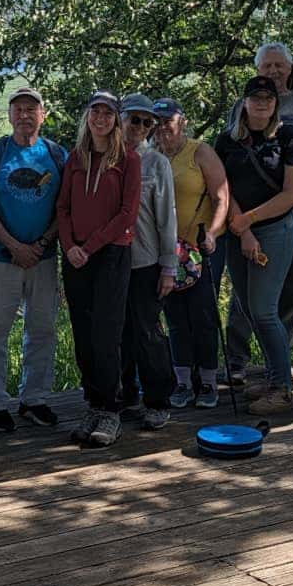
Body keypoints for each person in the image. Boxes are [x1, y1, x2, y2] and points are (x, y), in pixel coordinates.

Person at [220, 42, 293, 385]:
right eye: (267, 67)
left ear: (290, 70)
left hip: (288, 218)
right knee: (245, 298)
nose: (273, 72)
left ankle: (280, 362)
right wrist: (241, 223)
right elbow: (226, 173)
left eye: (279, 66)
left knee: (287, 291)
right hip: (240, 220)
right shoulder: (237, 112)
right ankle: (237, 359)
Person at [57, 90, 142, 447]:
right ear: (87, 115)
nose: (101, 118)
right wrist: (70, 247)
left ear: (116, 120)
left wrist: (88, 247)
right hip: (76, 257)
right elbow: (62, 208)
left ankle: (110, 409)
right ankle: (92, 402)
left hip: (110, 254)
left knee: (107, 334)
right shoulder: (75, 157)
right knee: (83, 333)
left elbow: (127, 214)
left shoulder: (128, 159)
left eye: (108, 113)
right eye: (96, 111)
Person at [0, 86, 69, 431]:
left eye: (31, 109)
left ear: (43, 115)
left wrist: (42, 243)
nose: (24, 115)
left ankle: (35, 398)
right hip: (3, 258)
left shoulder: (57, 155)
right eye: (17, 109)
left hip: (44, 257)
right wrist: (14, 245)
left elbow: (66, 207)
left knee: (42, 328)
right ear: (9, 115)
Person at [152, 98, 230, 408]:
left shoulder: (200, 151)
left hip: (201, 249)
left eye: (168, 119)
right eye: (157, 120)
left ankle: (209, 382)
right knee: (175, 318)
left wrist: (211, 232)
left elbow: (222, 197)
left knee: (204, 316)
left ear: (182, 121)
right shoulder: (150, 155)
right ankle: (183, 381)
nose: (162, 126)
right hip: (166, 252)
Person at [117, 94, 179, 430]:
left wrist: (169, 267)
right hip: (111, 263)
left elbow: (167, 218)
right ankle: (126, 395)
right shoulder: (106, 158)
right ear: (120, 119)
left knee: (148, 332)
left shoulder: (157, 164)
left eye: (146, 122)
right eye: (133, 119)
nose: (138, 127)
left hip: (146, 261)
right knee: (117, 332)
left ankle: (158, 399)